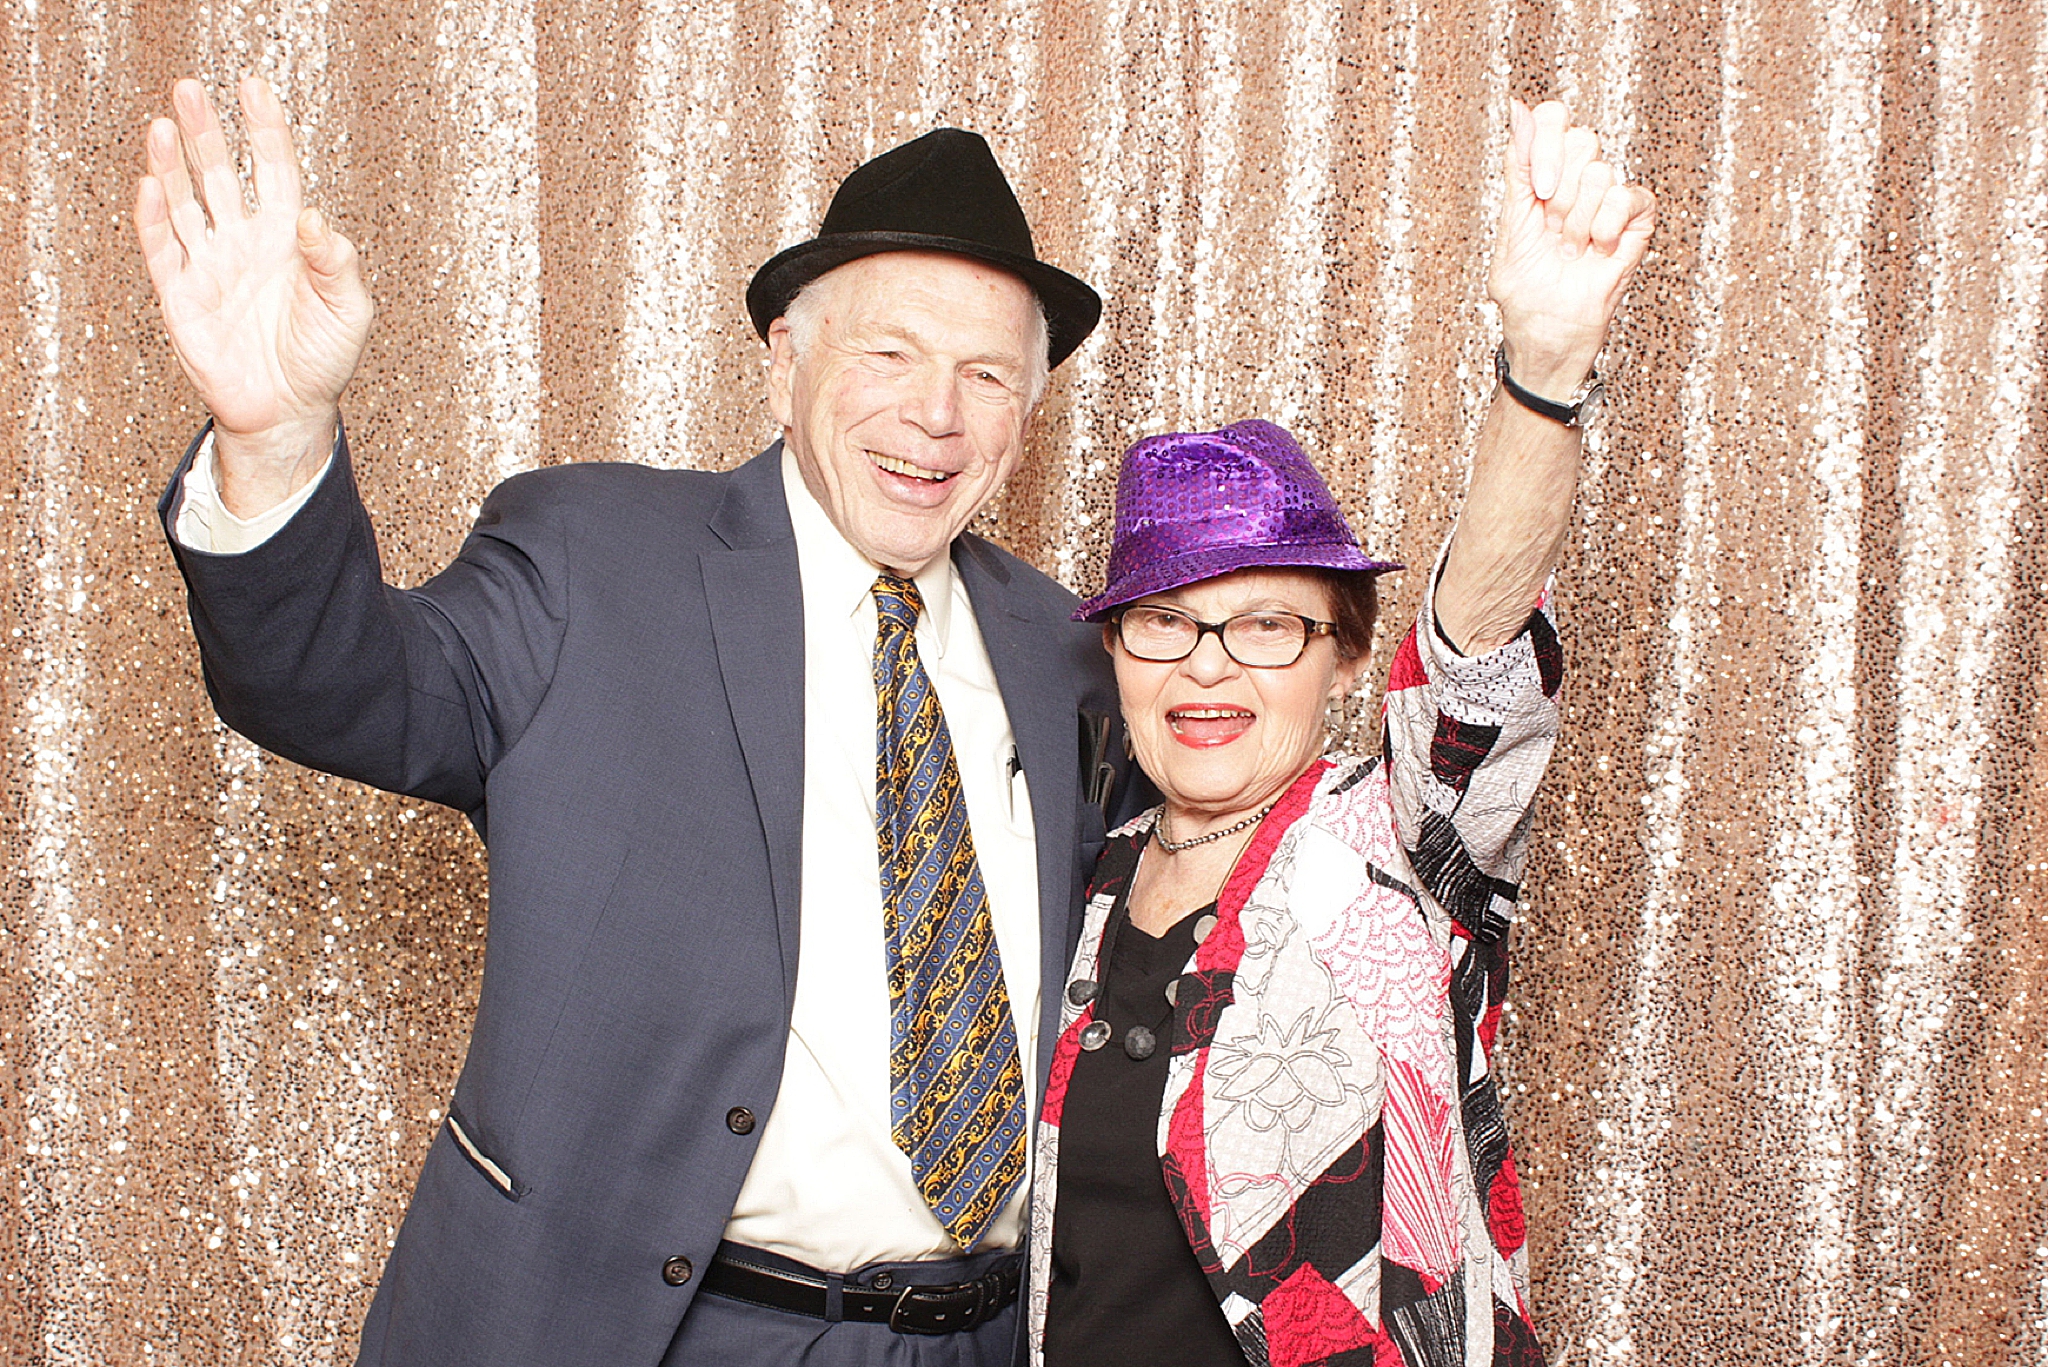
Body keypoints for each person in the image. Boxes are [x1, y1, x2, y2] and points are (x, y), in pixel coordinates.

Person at [136, 77, 1136, 1367]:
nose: (934, 414)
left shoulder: (1066, 650)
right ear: (785, 359)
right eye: (888, 353)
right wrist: (270, 440)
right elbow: (339, 682)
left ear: (1025, 410)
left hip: (980, 1339)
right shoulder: (593, 556)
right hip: (651, 1324)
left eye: (984, 374)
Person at [1027, 111, 1655, 1366]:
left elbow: (1474, 656)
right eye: (1163, 622)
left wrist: (1539, 372)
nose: (1206, 663)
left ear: (1344, 654)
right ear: (1113, 652)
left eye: (1265, 623)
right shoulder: (1080, 881)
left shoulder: (1395, 846)